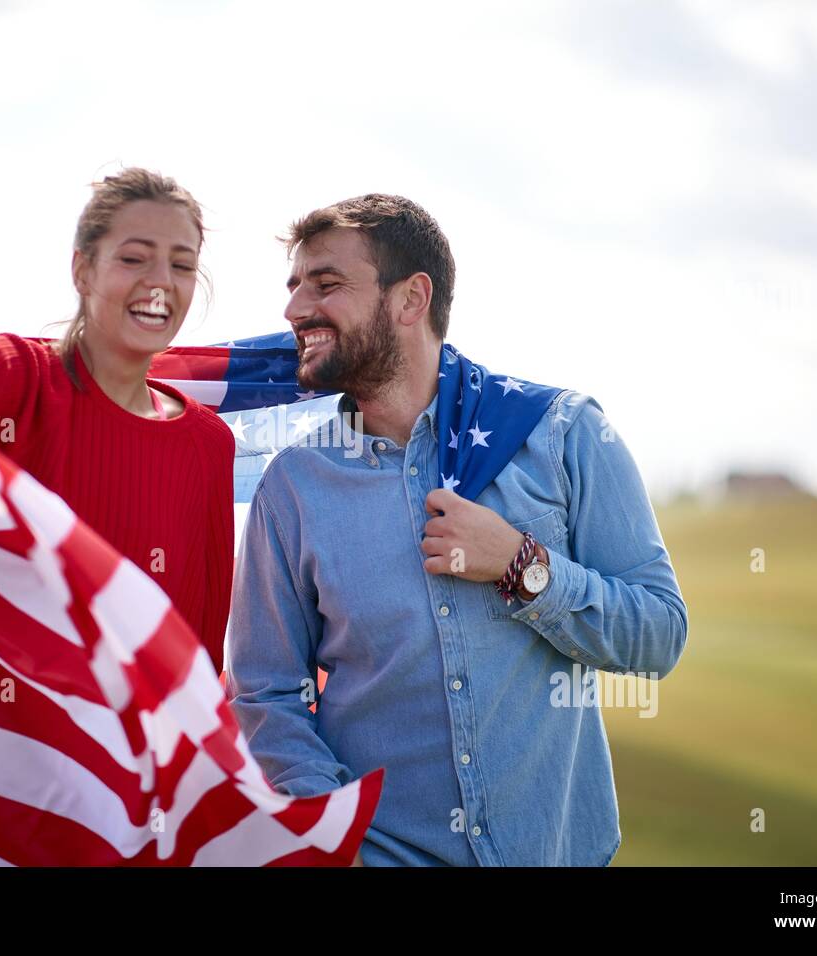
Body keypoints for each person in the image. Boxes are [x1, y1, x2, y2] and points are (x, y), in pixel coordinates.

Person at [224, 193, 689, 865]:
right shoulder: (293, 488)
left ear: (412, 298)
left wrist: (524, 567)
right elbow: (265, 694)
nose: (295, 309)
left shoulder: (561, 436)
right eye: (294, 286)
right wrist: (335, 838)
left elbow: (660, 636)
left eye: (325, 285)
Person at [0, 168, 235, 674]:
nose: (161, 282)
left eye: (182, 265)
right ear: (82, 270)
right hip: (5, 739)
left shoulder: (208, 444)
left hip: (123, 750)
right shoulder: (18, 376)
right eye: (133, 259)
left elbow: (199, 650)